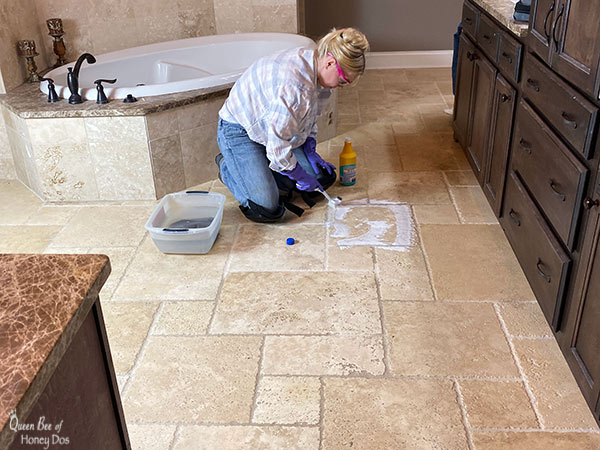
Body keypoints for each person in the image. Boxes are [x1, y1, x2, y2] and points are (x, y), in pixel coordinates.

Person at [215, 27, 369, 222]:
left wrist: (309, 146)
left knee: (323, 178)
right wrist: (298, 174)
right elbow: (278, 149)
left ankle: (261, 165)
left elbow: (309, 118)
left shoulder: (317, 70)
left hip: (269, 129)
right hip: (239, 130)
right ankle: (228, 166)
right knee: (267, 207)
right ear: (331, 63)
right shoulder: (294, 87)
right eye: (343, 80)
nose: (342, 85)